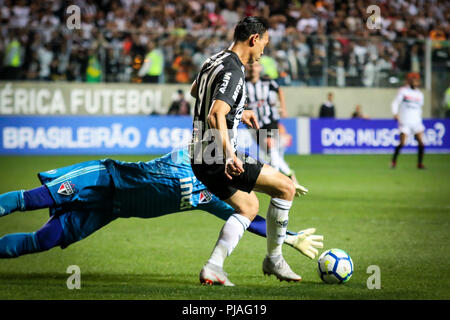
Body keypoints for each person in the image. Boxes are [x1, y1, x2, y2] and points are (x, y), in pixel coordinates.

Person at [0, 148, 323, 262]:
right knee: (32, 200)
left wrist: (290, 237)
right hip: (104, 178)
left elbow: (249, 219)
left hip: (108, 210)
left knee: (42, 241)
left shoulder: (212, 196)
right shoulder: (189, 156)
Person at [190, 17, 307, 286]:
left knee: (249, 206)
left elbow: (196, 90)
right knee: (286, 187)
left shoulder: (215, 59)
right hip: (217, 155)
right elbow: (215, 114)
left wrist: (238, 112)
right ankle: (274, 259)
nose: (264, 50)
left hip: (200, 154)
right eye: (264, 43)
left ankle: (213, 267)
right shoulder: (235, 69)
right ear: (254, 39)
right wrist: (229, 154)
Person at [245, 61, 306, 196]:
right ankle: (289, 174)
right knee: (269, 153)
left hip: (270, 119)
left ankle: (279, 182)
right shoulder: (243, 84)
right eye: (250, 66)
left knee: (269, 145)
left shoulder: (268, 82)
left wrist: (282, 108)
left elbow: (279, 90)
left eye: (255, 66)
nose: (253, 69)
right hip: (254, 123)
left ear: (259, 68)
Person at [391, 72, 426, 169]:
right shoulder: (403, 91)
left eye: (416, 80)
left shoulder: (420, 94)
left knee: (421, 143)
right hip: (405, 121)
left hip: (416, 122)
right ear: (409, 81)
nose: (415, 82)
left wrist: (419, 119)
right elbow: (395, 103)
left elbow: (420, 108)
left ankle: (419, 163)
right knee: (402, 143)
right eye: (413, 80)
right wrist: (395, 114)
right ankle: (393, 161)